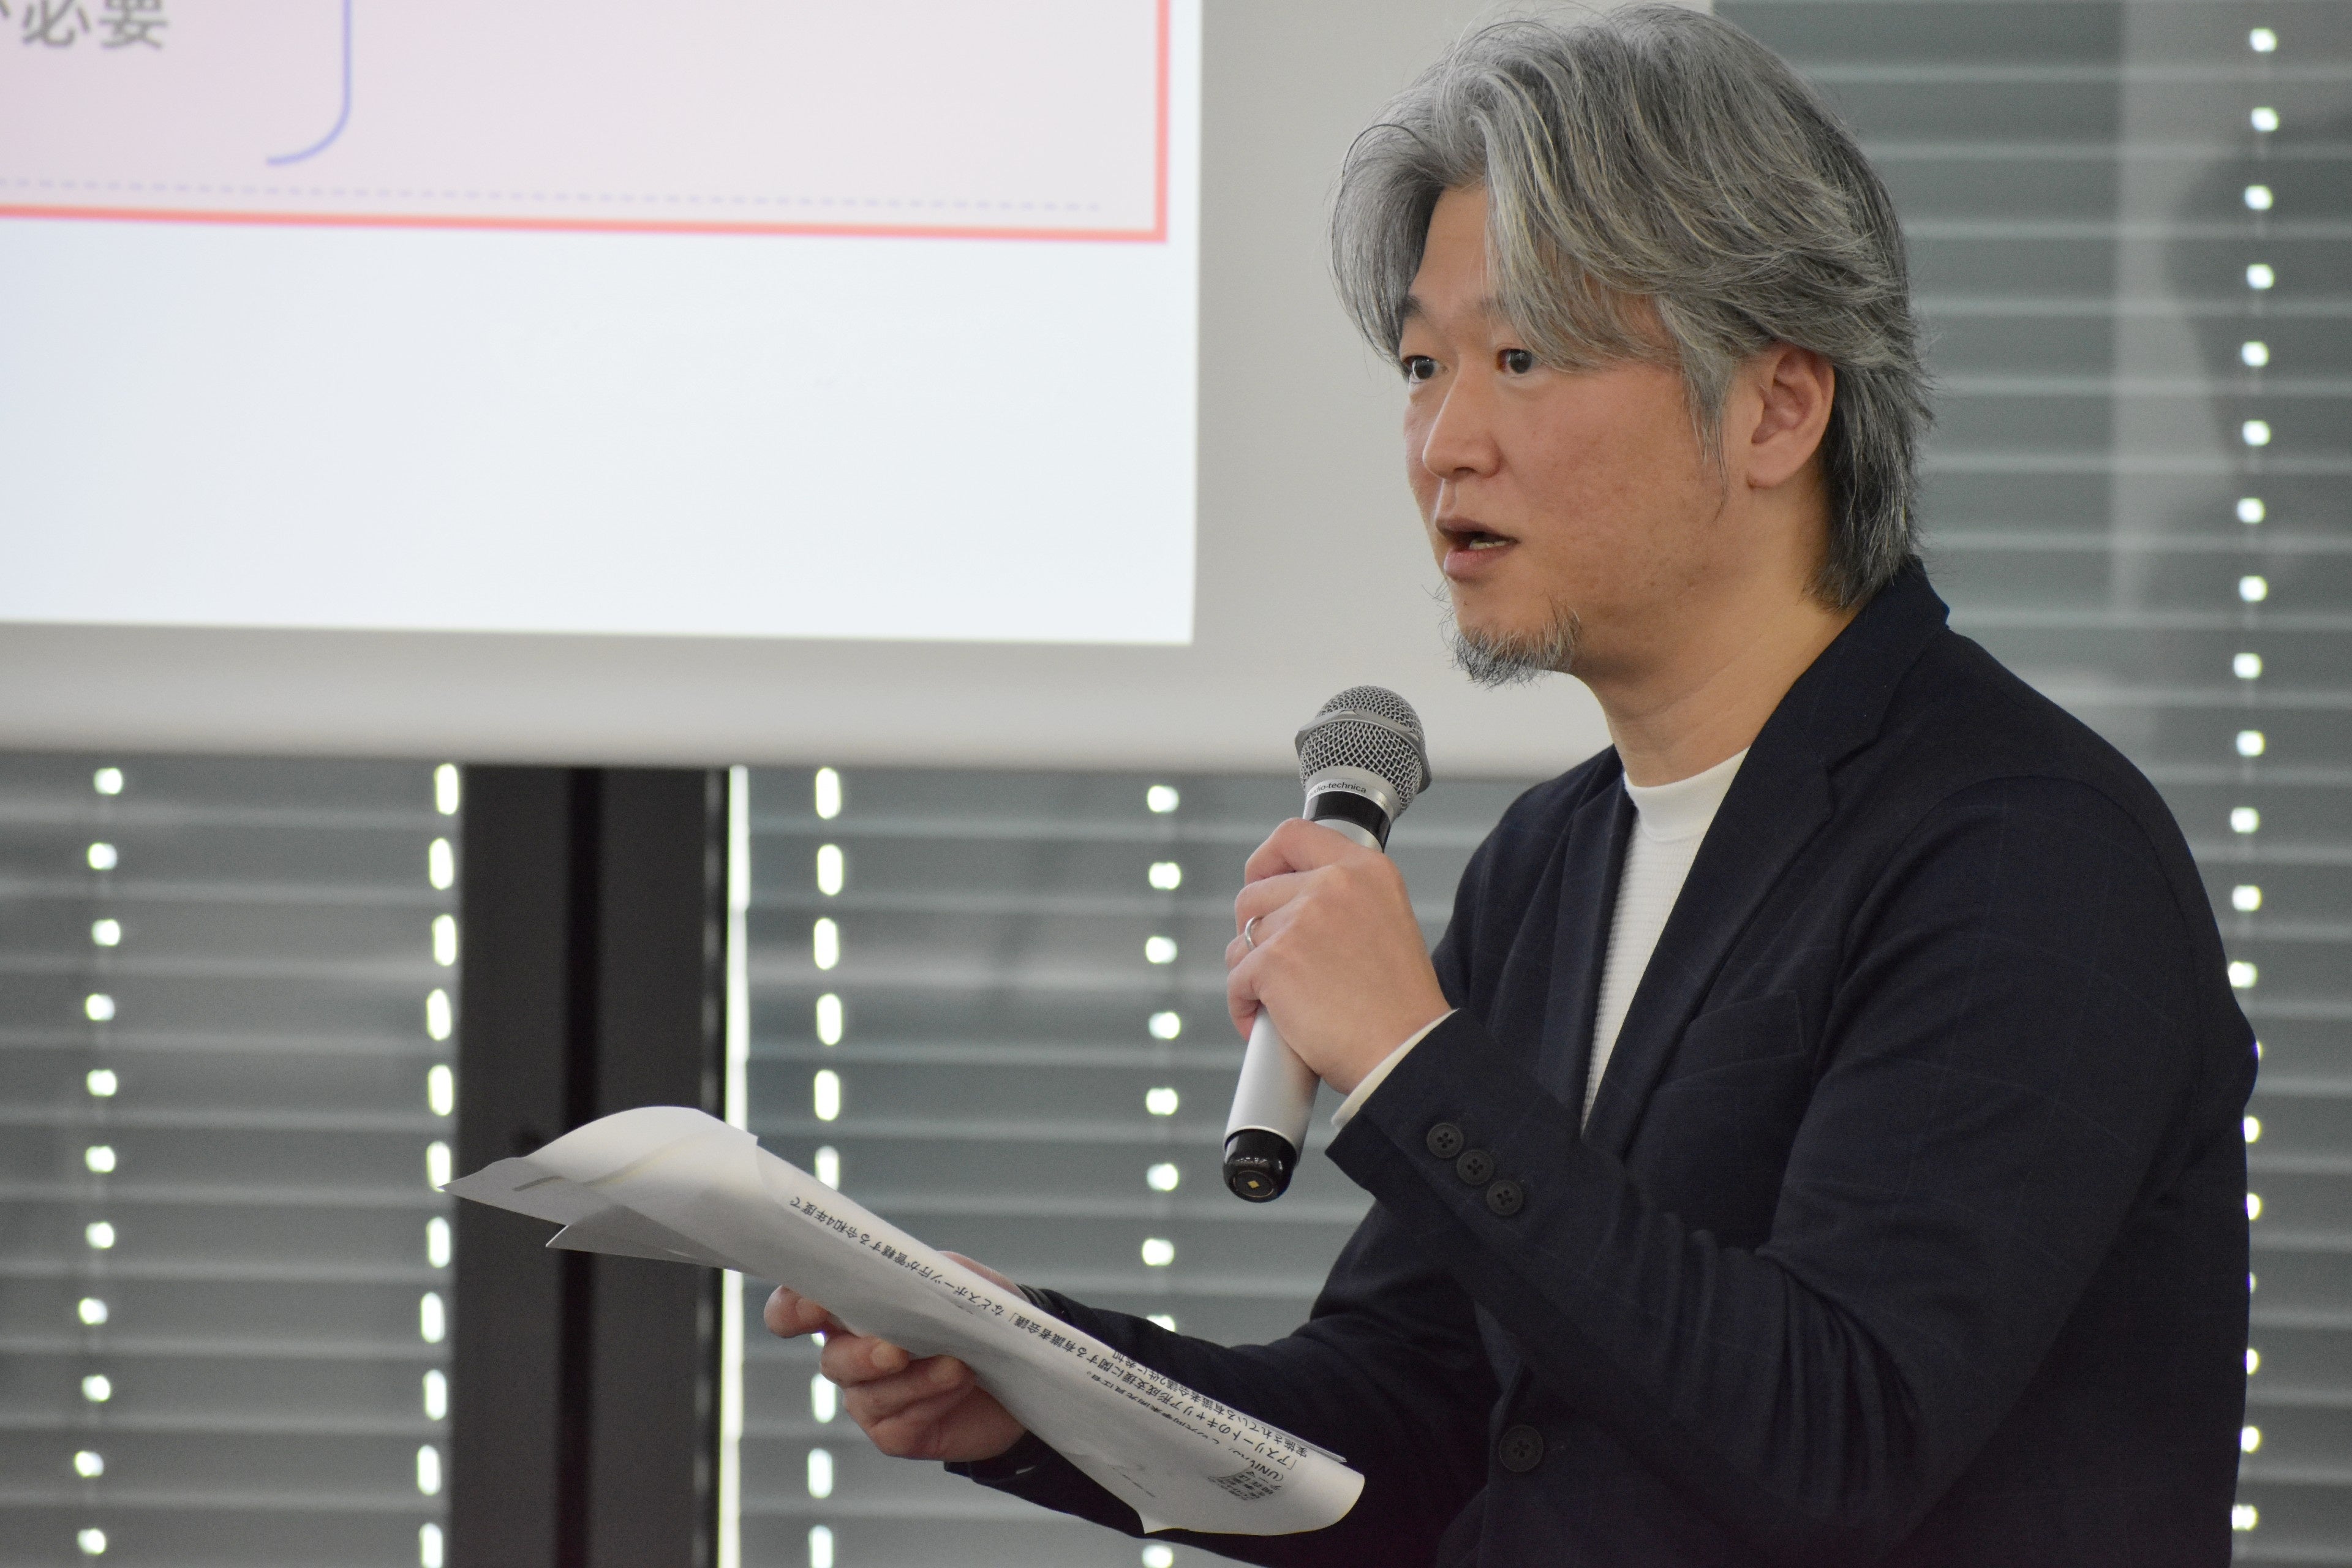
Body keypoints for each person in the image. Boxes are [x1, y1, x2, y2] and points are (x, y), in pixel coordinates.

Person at [765, 8, 2256, 1563]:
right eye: (1424, 364)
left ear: (1777, 406)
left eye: (1523, 357)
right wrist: (1037, 1380)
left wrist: (1411, 1059)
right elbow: (1423, 1427)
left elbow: (1837, 1438)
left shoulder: (2024, 852)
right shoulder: (1553, 857)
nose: (1444, 442)